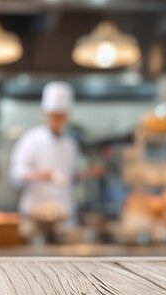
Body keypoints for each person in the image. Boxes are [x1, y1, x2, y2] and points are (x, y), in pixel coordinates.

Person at [9, 81, 103, 234]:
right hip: (35, 216)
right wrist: (39, 174)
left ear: (67, 116)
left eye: (61, 116)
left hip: (64, 215)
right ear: (45, 114)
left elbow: (69, 177)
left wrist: (88, 173)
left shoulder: (70, 144)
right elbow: (15, 173)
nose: (57, 120)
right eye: (54, 115)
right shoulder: (31, 139)